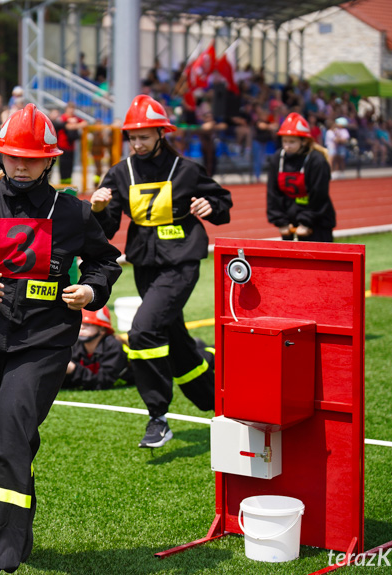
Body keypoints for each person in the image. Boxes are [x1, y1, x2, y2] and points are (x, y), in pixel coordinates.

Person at [0, 103, 121, 575]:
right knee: (4, 439)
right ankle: (18, 523)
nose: (21, 165)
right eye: (13, 156)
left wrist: (91, 289)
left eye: (32, 158)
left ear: (50, 160)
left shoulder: (72, 212)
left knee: (4, 436)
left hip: (45, 342)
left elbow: (104, 262)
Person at [91, 94, 232, 448]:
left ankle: (157, 416)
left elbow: (223, 204)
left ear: (161, 134)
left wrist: (209, 205)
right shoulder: (120, 172)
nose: (138, 143)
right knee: (177, 339)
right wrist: (98, 209)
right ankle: (216, 400)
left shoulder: (186, 169)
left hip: (181, 264)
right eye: (132, 137)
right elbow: (107, 228)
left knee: (142, 332)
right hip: (145, 266)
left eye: (145, 136)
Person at [266, 112, 336, 242]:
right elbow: (273, 193)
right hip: (289, 222)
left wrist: (306, 222)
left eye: (292, 142)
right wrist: (280, 222)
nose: (287, 146)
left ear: (304, 141)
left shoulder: (317, 161)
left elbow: (319, 195)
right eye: (284, 141)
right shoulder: (277, 159)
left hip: (317, 222)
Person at [63, 306, 132, 390]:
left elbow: (104, 382)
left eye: (88, 324)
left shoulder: (113, 347)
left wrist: (73, 369)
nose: (82, 327)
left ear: (102, 329)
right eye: (80, 323)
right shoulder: (75, 345)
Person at [55, 102, 88, 186]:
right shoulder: (62, 118)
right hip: (63, 146)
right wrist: (76, 125)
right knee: (63, 167)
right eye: (70, 109)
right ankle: (62, 185)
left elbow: (85, 123)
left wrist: (75, 124)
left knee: (70, 167)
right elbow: (67, 126)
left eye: (73, 109)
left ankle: (68, 185)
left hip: (71, 147)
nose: (71, 111)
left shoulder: (75, 118)